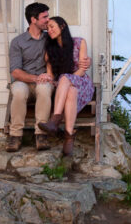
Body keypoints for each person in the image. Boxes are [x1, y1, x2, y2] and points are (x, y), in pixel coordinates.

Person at [37, 16, 92, 156]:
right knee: (71, 91)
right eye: (47, 28)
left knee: (66, 79)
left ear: (62, 26)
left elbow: (82, 69)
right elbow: (50, 75)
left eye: (52, 27)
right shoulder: (50, 50)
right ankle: (69, 136)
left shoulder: (79, 42)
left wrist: (67, 78)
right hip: (63, 87)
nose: (49, 30)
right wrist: (45, 77)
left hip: (82, 83)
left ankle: (55, 119)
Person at [7, 2, 53, 152]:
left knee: (45, 88)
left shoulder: (49, 39)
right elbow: (15, 71)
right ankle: (15, 136)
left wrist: (85, 59)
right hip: (23, 82)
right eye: (44, 17)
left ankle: (41, 134)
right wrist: (35, 78)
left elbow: (67, 45)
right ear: (34, 19)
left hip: (43, 82)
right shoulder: (17, 42)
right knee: (19, 91)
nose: (48, 20)